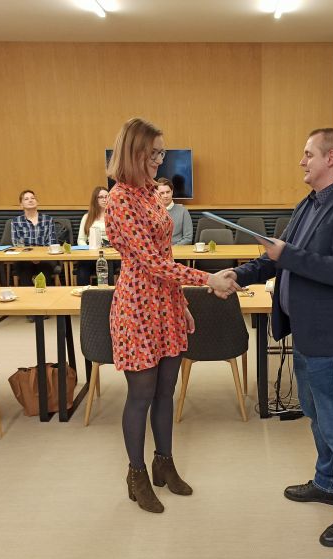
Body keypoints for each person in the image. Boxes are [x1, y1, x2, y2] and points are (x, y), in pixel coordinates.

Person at [228, 128, 333, 547]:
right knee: (316, 414)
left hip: (332, 338)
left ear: (331, 158)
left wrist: (286, 254)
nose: (301, 161)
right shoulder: (309, 203)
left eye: (308, 154)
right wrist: (238, 274)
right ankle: (328, 482)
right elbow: (277, 257)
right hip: (307, 332)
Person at [104, 117, 240, 514]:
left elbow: (165, 254)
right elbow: (150, 262)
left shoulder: (151, 192)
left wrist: (181, 304)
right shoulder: (120, 199)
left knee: (166, 390)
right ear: (134, 152)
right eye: (154, 153)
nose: (160, 160)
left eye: (162, 153)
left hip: (165, 303)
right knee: (141, 394)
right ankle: (136, 474)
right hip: (137, 306)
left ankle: (164, 463)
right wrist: (206, 278)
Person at [10, 190, 57, 285]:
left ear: (37, 202)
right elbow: (17, 244)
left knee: (45, 275)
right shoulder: (16, 221)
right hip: (24, 258)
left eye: (33, 198)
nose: (30, 200)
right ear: (21, 205)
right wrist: (31, 257)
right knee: (25, 274)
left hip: (45, 257)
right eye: (26, 199)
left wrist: (39, 256)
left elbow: (52, 242)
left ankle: (45, 294)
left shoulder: (48, 220)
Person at [76, 186, 111, 285]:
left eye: (107, 196)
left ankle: (108, 293)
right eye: (101, 197)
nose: (104, 199)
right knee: (82, 268)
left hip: (110, 254)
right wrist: (90, 250)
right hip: (91, 253)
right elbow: (81, 239)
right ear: (95, 199)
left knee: (109, 267)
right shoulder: (87, 217)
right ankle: (84, 292)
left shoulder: (114, 215)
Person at [157, 177, 193, 245]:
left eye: (168, 192)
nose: (165, 196)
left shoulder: (183, 211)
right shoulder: (153, 212)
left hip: (177, 249)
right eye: (162, 193)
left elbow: (188, 238)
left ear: (172, 192)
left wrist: (172, 249)